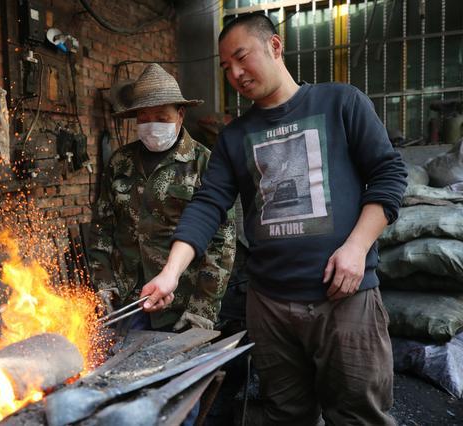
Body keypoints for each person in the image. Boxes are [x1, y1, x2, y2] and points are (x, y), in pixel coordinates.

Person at [140, 13, 407, 425]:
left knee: (359, 416)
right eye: (226, 67)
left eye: (241, 57)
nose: (235, 73)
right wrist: (171, 273)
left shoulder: (341, 103)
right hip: (269, 305)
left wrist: (356, 249)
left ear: (275, 46)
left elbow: (388, 175)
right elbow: (209, 203)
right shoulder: (234, 136)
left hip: (343, 297)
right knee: (285, 415)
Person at [88, 63, 236, 332]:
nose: (151, 125)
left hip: (182, 306)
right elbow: (102, 227)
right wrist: (105, 284)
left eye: (161, 117)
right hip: (128, 302)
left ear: (180, 115)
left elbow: (221, 243)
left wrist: (202, 309)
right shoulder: (121, 162)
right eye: (143, 118)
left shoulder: (204, 163)